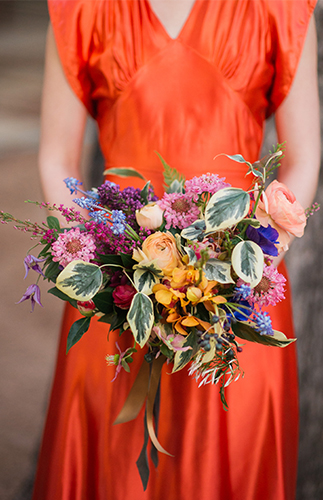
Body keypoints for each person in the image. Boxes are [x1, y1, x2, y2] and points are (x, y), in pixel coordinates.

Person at [33, 1, 320, 499]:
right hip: (115, 286)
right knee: (113, 463)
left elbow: (305, 156)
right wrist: (99, 263)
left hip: (238, 286)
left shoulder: (281, 7)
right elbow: (56, 154)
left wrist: (245, 266)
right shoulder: (81, 8)